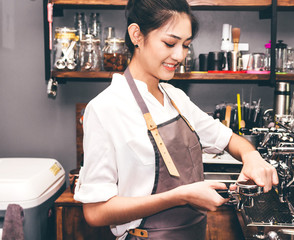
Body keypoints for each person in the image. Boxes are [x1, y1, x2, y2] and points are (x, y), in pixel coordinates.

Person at [74, 0, 278, 239]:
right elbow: (96, 212)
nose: (179, 55)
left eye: (186, 45)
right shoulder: (105, 108)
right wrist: (180, 196)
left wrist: (251, 156)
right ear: (137, 35)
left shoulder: (176, 98)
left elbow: (230, 139)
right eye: (170, 43)